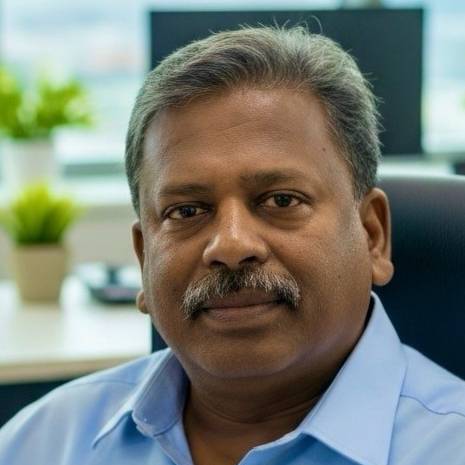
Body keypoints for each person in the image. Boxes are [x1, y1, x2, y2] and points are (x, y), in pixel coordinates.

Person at [1, 25, 465, 465]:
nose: (230, 245)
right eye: (186, 211)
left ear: (372, 236)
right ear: (143, 259)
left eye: (281, 200)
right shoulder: (44, 442)